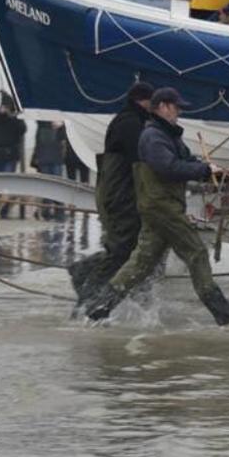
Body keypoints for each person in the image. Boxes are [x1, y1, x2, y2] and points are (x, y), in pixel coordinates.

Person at [76, 87, 229, 326]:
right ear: (164, 106)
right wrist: (205, 170)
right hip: (161, 206)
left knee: (142, 261)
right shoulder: (153, 136)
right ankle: (219, 307)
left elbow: (188, 162)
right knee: (195, 251)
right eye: (176, 108)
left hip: (158, 205)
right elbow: (167, 167)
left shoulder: (167, 134)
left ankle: (100, 307)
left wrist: (217, 173)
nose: (179, 113)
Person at [67, 81, 153, 300]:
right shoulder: (130, 123)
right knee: (123, 249)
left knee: (128, 248)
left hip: (119, 193)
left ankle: (96, 282)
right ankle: (89, 292)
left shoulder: (130, 120)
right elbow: (141, 159)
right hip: (120, 195)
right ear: (143, 101)